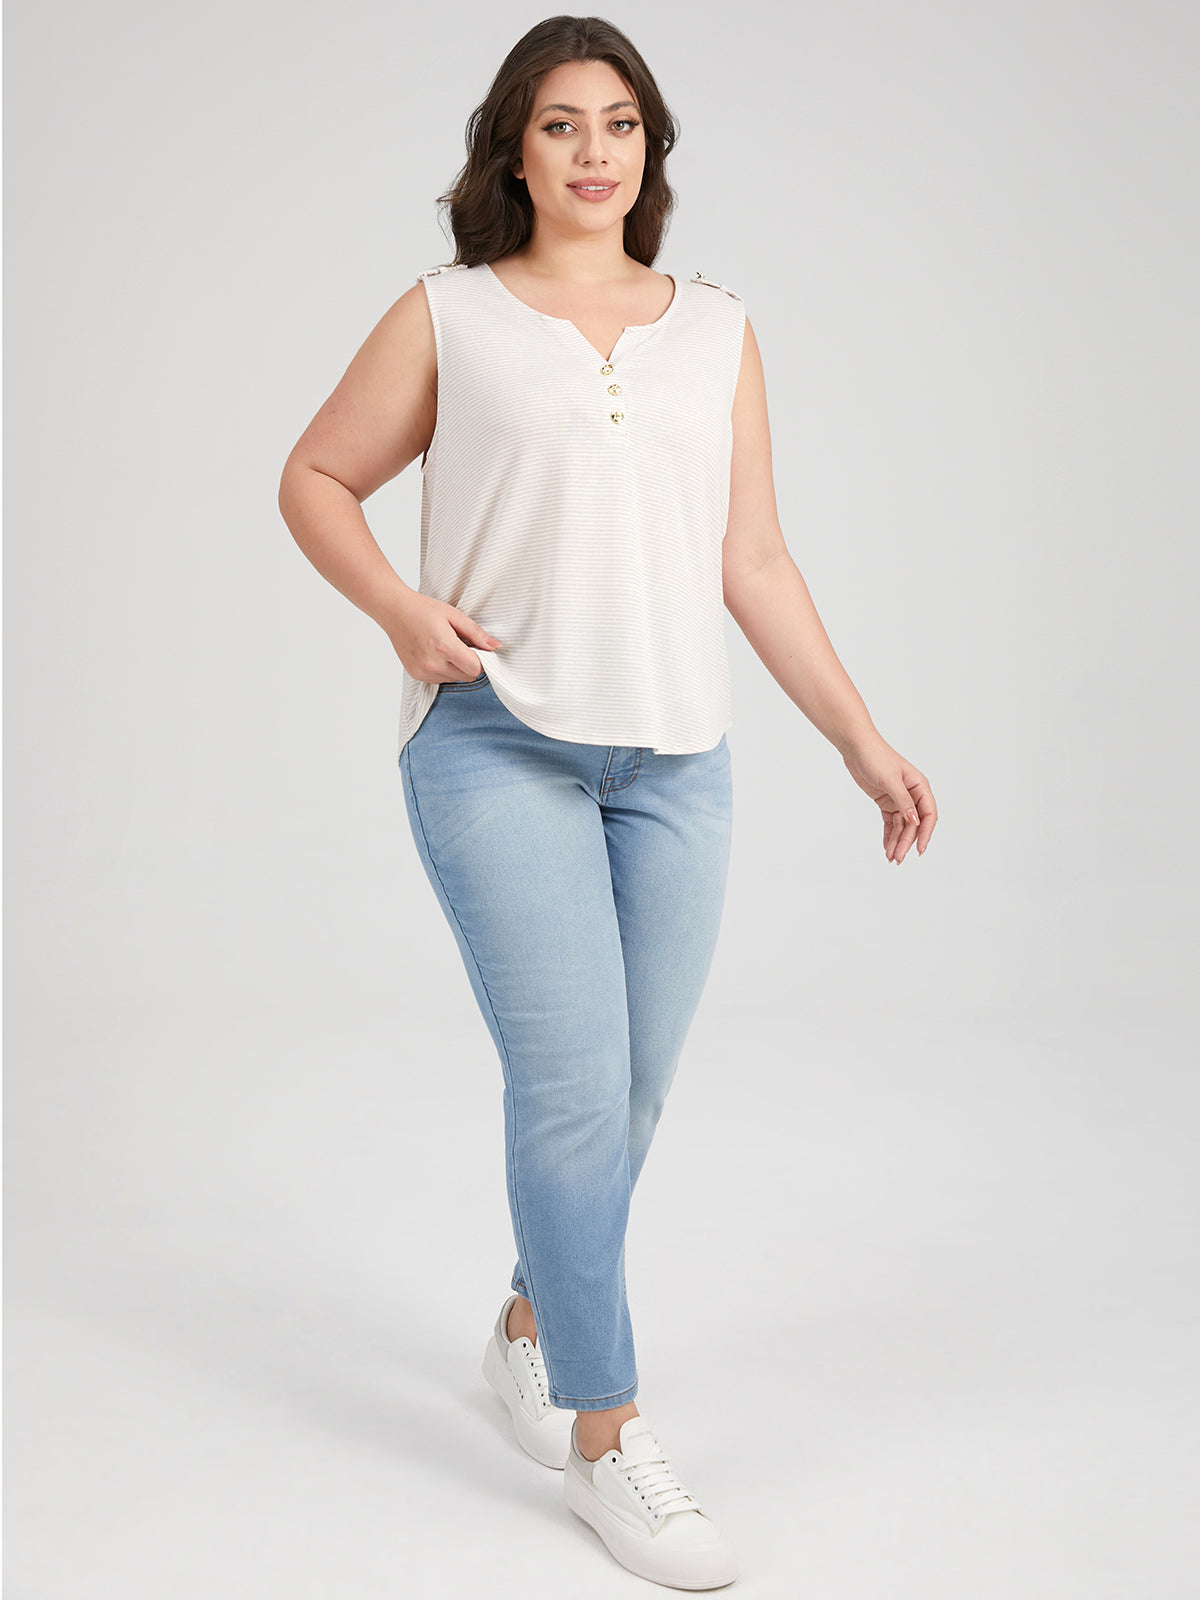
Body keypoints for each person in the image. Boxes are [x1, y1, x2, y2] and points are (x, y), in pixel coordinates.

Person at [277, 15, 937, 1590]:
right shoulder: (451, 315)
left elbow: (753, 558)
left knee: (630, 1096)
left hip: (677, 762)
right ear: (515, 149)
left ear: (652, 150)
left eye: (620, 123)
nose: (593, 150)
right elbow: (315, 476)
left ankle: (529, 1319)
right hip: (497, 741)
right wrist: (399, 613)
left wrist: (859, 737)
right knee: (572, 1091)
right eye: (562, 123)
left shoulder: (717, 330)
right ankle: (607, 1432)